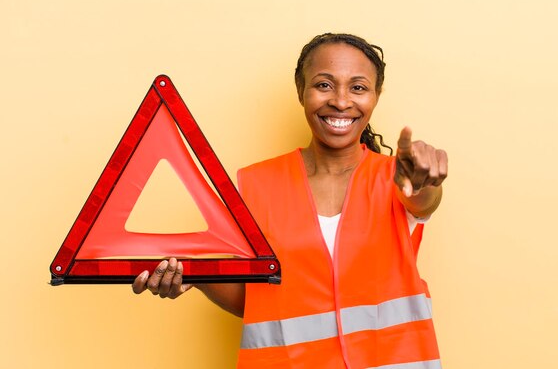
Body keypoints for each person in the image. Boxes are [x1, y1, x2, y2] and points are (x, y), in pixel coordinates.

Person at [133, 33, 448, 368]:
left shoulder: (397, 179)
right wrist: (195, 275)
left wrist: (424, 181)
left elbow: (424, 200)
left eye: (358, 87)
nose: (341, 101)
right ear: (301, 91)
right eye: (324, 85)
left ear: (375, 95)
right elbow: (257, 300)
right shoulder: (256, 186)